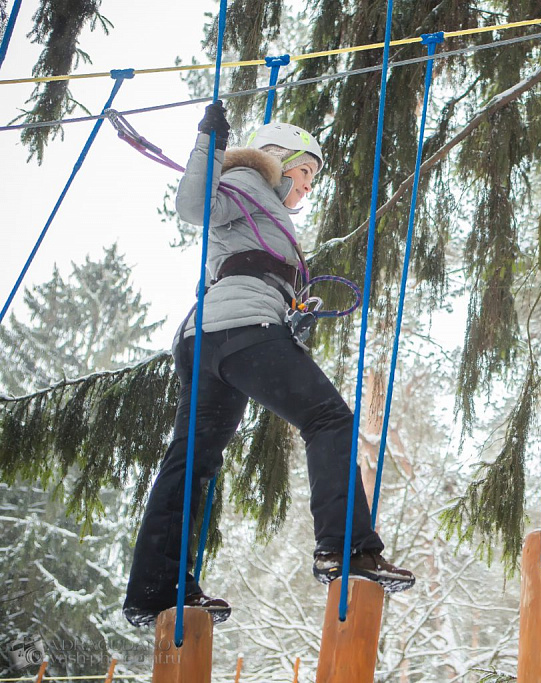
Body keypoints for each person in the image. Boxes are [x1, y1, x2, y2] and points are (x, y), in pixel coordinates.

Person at [122, 103, 414, 627]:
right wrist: (208, 144)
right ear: (278, 159)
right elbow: (194, 207)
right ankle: (346, 547)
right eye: (305, 173)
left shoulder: (265, 214)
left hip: (210, 337)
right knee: (328, 419)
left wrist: (291, 317)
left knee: (193, 462)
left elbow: (246, 266)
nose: (307, 188)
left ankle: (155, 588)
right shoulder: (250, 182)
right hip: (240, 333)